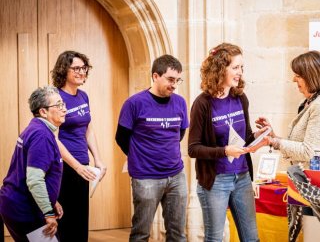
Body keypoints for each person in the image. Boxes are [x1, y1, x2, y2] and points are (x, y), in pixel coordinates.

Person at [188, 43, 263, 242]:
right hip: (216, 181)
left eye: (241, 68)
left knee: (251, 238)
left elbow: (245, 137)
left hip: (242, 177)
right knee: (214, 238)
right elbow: (193, 149)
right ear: (221, 69)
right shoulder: (202, 104)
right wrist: (224, 151)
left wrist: (259, 136)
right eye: (235, 67)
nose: (240, 73)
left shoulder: (240, 98)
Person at [115, 54, 189, 242]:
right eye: (170, 79)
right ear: (155, 76)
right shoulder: (134, 103)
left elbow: (179, 134)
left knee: (178, 234)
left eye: (177, 80)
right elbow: (121, 137)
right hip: (145, 177)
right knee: (141, 234)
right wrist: (141, 156)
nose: (174, 85)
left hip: (176, 176)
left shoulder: (180, 103)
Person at [256, 50, 320, 171]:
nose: (293, 79)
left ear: (312, 77)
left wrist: (275, 142)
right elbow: (299, 145)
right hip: (307, 180)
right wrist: (273, 136)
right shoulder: (308, 103)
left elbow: (310, 151)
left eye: (298, 76)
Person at [51, 50, 107, 242]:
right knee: (64, 220)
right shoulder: (55, 98)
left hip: (83, 165)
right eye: (76, 68)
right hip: (63, 167)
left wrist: (98, 160)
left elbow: (88, 129)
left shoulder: (83, 96)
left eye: (84, 68)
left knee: (80, 221)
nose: (81, 72)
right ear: (63, 70)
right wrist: (76, 166)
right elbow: (53, 139)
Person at [0, 86, 66, 241]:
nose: (64, 109)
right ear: (43, 111)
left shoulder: (37, 129)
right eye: (58, 105)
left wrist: (52, 200)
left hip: (16, 204)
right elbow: (35, 180)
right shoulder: (41, 135)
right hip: (23, 208)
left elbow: (32, 171)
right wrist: (48, 213)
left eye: (63, 104)